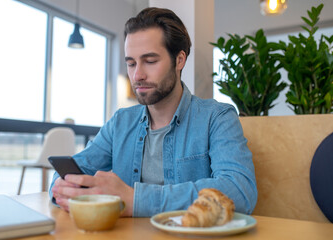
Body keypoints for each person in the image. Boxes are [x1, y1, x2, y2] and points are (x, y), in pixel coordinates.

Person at [50, 7, 257, 217]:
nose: (137, 75)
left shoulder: (217, 117)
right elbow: (72, 170)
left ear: (179, 60)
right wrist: (62, 188)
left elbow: (240, 191)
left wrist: (135, 199)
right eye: (131, 63)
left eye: (150, 61)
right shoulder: (120, 122)